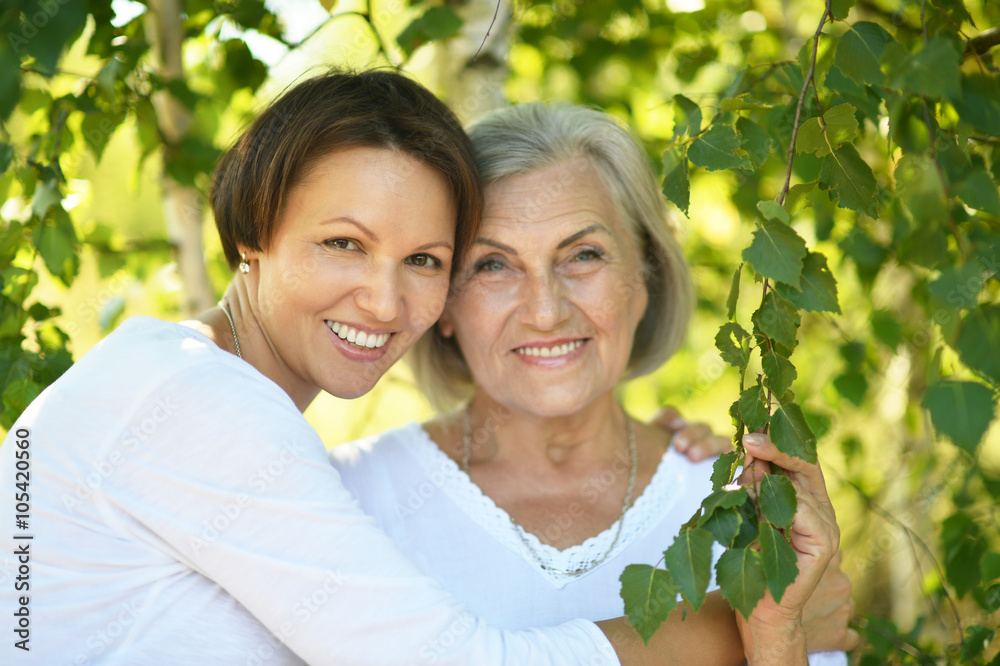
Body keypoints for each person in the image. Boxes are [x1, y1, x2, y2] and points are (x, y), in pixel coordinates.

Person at [0, 70, 830, 665]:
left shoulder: (730, 499)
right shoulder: (195, 402)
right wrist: (752, 628)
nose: (385, 299)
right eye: (343, 243)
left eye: (426, 259)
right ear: (249, 230)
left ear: (647, 271)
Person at [330, 102, 856, 661]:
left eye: (583, 255)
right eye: (492, 264)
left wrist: (777, 643)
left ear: (644, 275)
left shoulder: (740, 508)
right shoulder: (348, 497)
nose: (546, 311)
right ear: (443, 301)